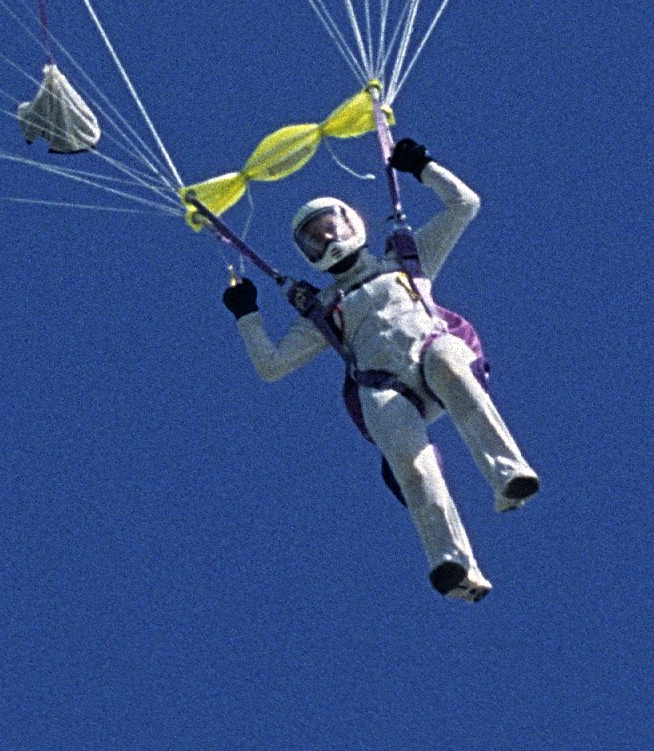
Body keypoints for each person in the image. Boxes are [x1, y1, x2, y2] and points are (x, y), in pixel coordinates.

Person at [222, 131, 542, 597]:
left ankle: (507, 476)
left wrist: (423, 167)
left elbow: (464, 205)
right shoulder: (320, 310)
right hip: (383, 387)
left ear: (353, 223)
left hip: (434, 352)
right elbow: (271, 366)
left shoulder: (407, 261)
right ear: (306, 255)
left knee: (451, 366)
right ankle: (453, 565)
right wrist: (247, 315)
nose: (327, 237)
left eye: (330, 224)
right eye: (314, 237)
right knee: (411, 466)